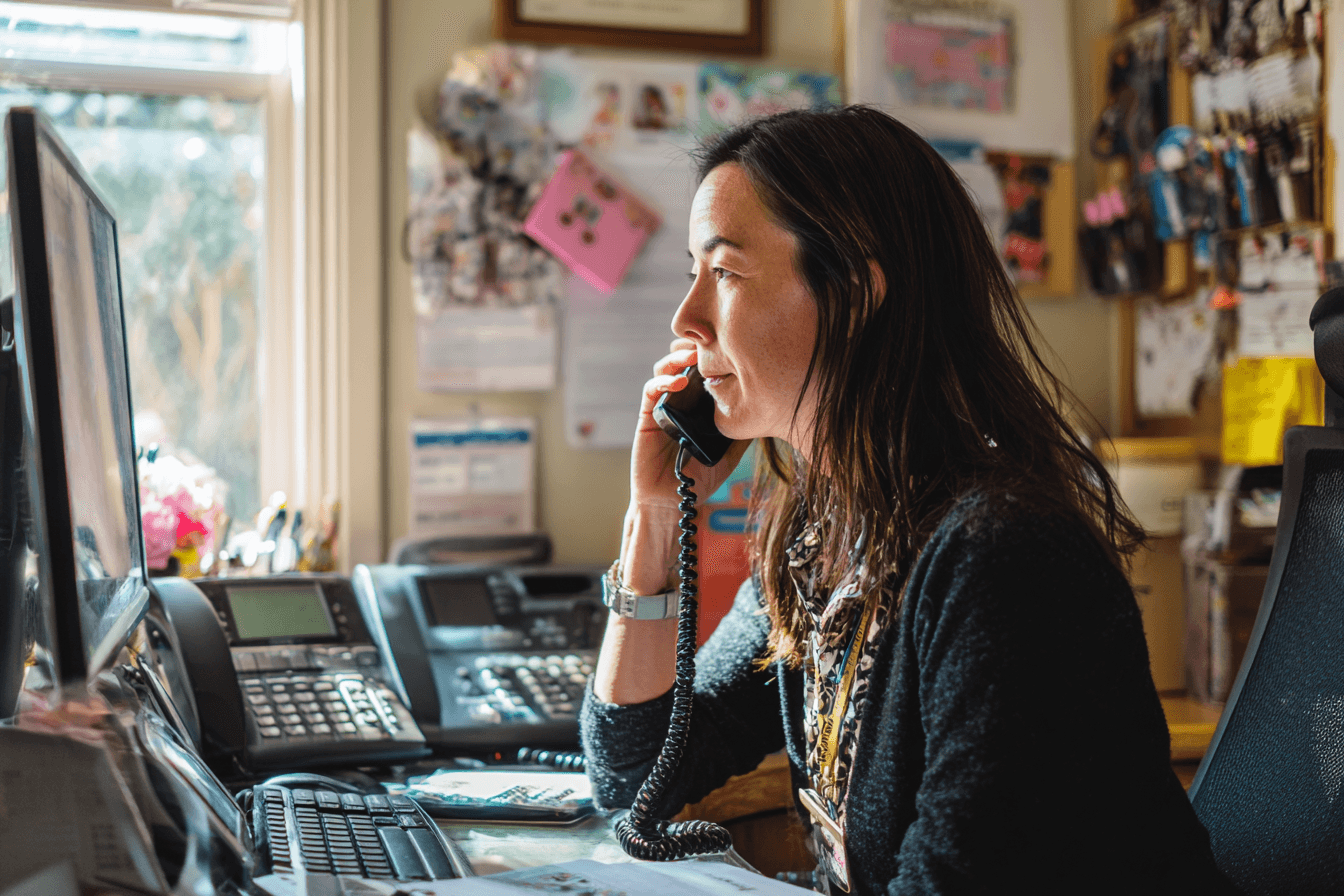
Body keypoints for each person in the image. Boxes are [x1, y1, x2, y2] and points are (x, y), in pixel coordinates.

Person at [579, 106, 1237, 895]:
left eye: (723, 273)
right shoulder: (824, 535)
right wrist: (653, 516)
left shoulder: (1003, 561)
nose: (685, 319)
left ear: (855, 292)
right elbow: (636, 772)